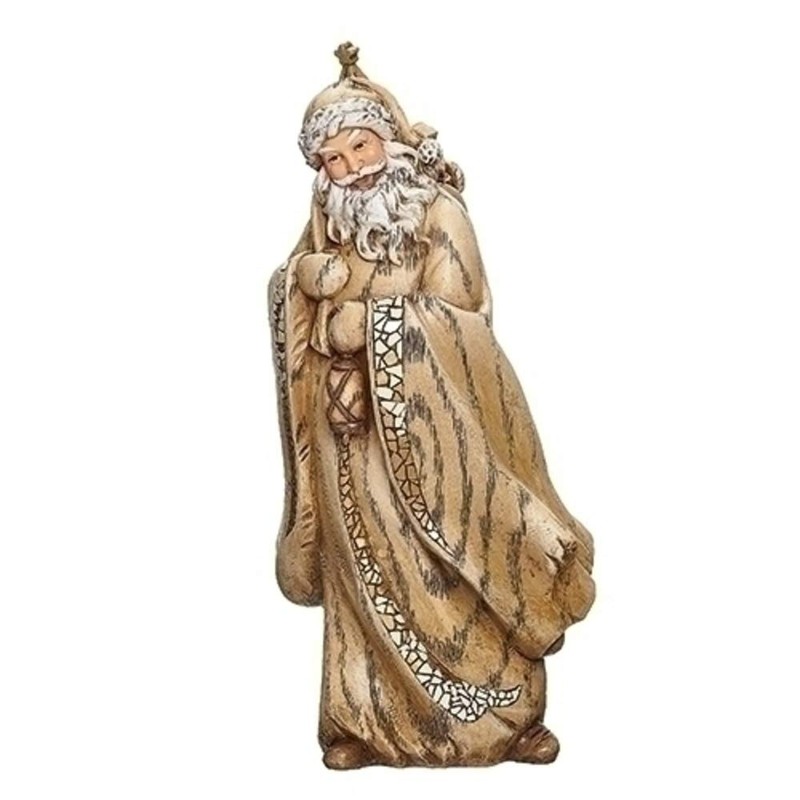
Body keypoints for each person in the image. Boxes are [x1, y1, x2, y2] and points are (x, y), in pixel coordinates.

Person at [268, 43, 595, 770]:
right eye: (333, 161)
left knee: (455, 561)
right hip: (352, 437)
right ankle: (362, 717)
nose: (352, 169)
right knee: (365, 573)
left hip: (437, 435)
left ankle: (506, 719)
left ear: (388, 138)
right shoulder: (329, 221)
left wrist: (370, 325)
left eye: (360, 147)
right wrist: (303, 284)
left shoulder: (437, 212)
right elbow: (294, 294)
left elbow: (463, 313)